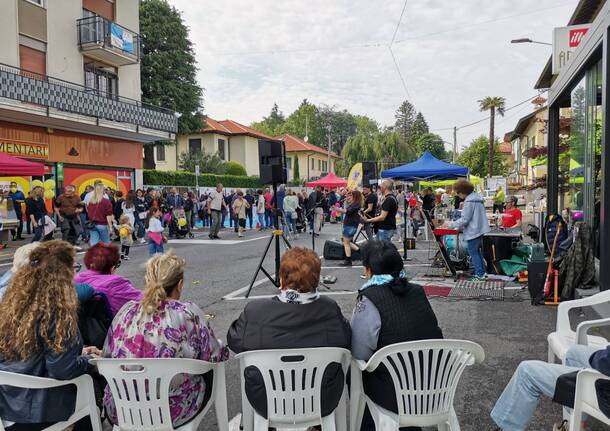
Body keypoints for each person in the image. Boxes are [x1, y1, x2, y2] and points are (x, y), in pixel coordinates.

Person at [103, 251, 229, 428]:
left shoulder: (127, 311)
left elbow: (107, 354)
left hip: (122, 406)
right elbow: (215, 354)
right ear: (180, 285)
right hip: (169, 409)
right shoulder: (187, 312)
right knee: (209, 369)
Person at [227, 247, 351, 422]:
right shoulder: (330, 309)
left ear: (281, 278)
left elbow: (234, 340)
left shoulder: (255, 311)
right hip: (322, 400)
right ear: (316, 279)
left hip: (266, 402)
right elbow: (346, 338)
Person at [0, 240, 101, 430]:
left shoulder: (12, 304)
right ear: (63, 275)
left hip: (7, 405)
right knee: (92, 389)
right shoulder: (57, 311)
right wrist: (88, 361)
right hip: (36, 411)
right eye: (74, 267)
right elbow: (63, 370)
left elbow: (30, 356)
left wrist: (77, 352)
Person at [351, 240, 443, 431]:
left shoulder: (369, 298)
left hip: (395, 395)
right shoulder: (418, 292)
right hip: (434, 387)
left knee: (354, 372)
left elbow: (359, 352)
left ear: (368, 270)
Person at [491, 343, 610, 431]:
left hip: (605, 389)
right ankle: (576, 425)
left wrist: (598, 358)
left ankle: (506, 428)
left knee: (527, 373)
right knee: (573, 353)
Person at [74, 243, 142, 316]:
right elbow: (145, 300)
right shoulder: (115, 283)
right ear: (112, 267)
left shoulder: (77, 279)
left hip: (86, 324)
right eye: (117, 264)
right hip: (112, 325)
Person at [445, 179, 490, 281]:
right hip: (479, 229)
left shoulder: (469, 201)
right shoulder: (477, 198)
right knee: (477, 252)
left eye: (458, 193)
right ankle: (483, 273)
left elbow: (465, 219)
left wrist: (450, 224)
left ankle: (480, 275)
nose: (458, 195)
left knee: (473, 252)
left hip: (473, 231)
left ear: (462, 192)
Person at [336, 190, 363, 267]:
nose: (350, 196)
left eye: (352, 195)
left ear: (355, 196)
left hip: (350, 225)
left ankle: (348, 260)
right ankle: (361, 253)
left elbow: (348, 211)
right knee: (346, 241)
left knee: (346, 243)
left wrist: (338, 209)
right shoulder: (355, 204)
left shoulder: (356, 204)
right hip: (350, 225)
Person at [86, 182, 115, 246]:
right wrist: (110, 226)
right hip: (102, 224)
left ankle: (94, 254)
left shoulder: (91, 201)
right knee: (106, 242)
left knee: (94, 243)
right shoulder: (106, 201)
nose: (106, 191)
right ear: (103, 190)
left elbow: (88, 212)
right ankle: (106, 255)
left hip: (93, 224)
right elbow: (108, 215)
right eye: (105, 189)